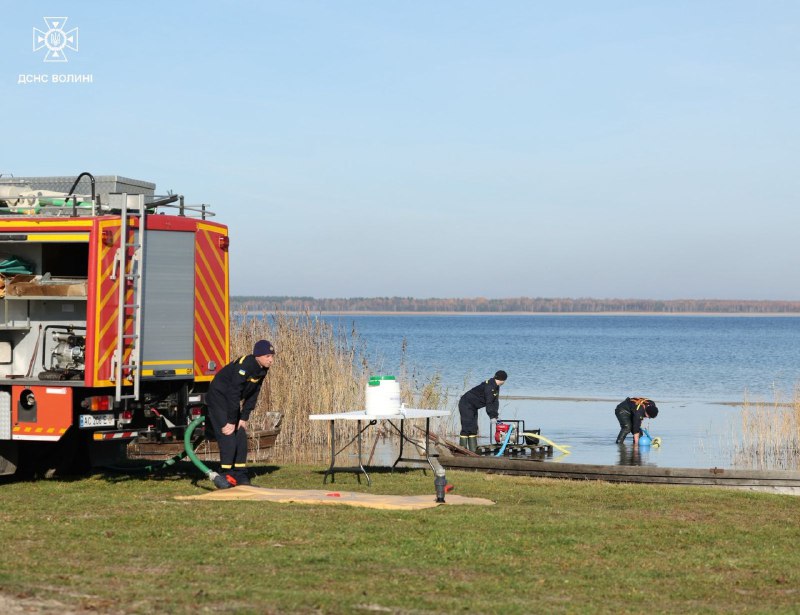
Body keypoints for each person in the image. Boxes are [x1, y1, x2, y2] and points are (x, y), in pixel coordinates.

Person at [205, 339, 275, 488]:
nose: (271, 360)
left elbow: (254, 393)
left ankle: (241, 473)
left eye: (272, 356)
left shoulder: (262, 369)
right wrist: (231, 421)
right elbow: (233, 392)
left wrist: (244, 417)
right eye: (268, 356)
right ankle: (225, 474)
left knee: (241, 434)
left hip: (231, 400)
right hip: (219, 397)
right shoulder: (244, 365)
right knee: (228, 435)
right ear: (258, 355)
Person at [458, 370, 507, 451]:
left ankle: (473, 451)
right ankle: (462, 450)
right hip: (466, 404)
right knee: (466, 427)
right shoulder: (489, 386)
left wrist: (495, 416)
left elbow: (495, 402)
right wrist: (491, 416)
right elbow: (489, 402)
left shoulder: (496, 386)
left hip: (473, 407)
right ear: (503, 380)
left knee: (473, 428)